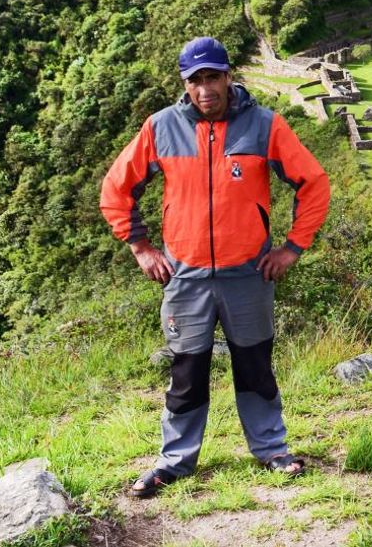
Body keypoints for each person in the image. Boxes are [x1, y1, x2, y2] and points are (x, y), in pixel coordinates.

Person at [100, 36, 330, 497]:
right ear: (185, 84)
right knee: (186, 371)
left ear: (229, 77)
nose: (205, 88)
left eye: (213, 77)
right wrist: (142, 247)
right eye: (196, 80)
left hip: (248, 273)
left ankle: (272, 450)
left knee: (255, 365)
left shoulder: (264, 125)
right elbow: (116, 188)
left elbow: (314, 183)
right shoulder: (161, 127)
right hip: (185, 277)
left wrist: (291, 248)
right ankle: (175, 462)